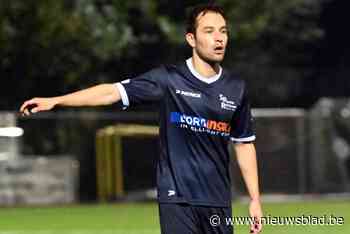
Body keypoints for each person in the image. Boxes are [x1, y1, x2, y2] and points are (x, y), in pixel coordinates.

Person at [20, 4, 263, 234]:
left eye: (223, 31)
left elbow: (244, 143)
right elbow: (110, 92)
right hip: (176, 198)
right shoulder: (168, 79)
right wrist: (57, 100)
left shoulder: (236, 88)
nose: (219, 38)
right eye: (209, 31)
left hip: (218, 200)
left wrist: (255, 199)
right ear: (191, 38)